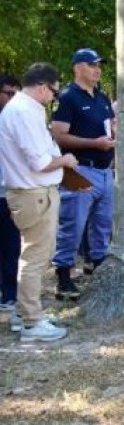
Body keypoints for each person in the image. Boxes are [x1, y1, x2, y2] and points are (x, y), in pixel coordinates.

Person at [0, 63, 77, 341]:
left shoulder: (27, 109)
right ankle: (32, 322)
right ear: (43, 86)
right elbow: (40, 162)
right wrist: (65, 160)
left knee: (34, 254)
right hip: (33, 193)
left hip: (35, 192)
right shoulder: (22, 112)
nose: (54, 98)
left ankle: (25, 313)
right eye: (54, 92)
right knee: (34, 257)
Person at [51, 48, 116, 300]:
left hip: (104, 170)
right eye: (91, 65)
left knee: (103, 224)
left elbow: (109, 128)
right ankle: (63, 278)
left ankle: (98, 267)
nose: (97, 69)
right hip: (79, 169)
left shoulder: (102, 97)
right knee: (73, 224)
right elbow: (59, 136)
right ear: (78, 67)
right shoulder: (68, 97)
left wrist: (112, 138)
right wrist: (94, 143)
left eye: (99, 65)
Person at [0, 74, 21, 313]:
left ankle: (9, 295)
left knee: (10, 246)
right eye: (9, 94)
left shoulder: (15, 121)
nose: (13, 99)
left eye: (17, 94)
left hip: (9, 194)